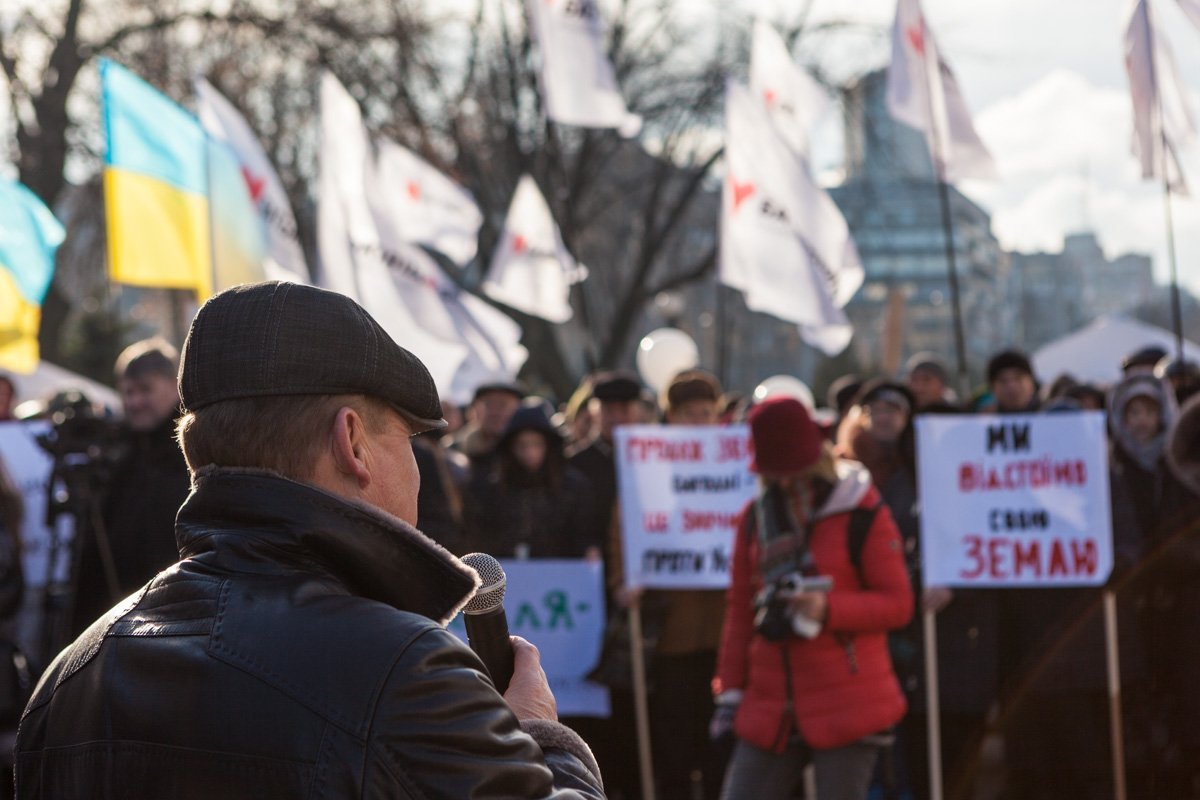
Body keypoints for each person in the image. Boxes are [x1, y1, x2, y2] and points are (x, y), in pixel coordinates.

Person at [15, 282, 603, 799]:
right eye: (407, 441)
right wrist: (541, 739)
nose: (418, 470)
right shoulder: (408, 673)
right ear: (353, 442)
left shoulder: (70, 680)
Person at [713, 397, 912, 800]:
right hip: (771, 703)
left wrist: (828, 609)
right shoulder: (754, 518)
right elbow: (738, 610)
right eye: (775, 471)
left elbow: (898, 604)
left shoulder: (861, 509)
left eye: (792, 469)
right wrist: (730, 692)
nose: (785, 482)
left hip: (849, 700)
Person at [69, 338, 190, 637]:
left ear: (174, 385)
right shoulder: (117, 456)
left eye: (146, 390)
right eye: (128, 392)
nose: (135, 402)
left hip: (181, 620)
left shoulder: (195, 454)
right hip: (119, 621)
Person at [463, 400, 598, 559]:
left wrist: (590, 551)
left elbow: (584, 533)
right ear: (511, 448)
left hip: (559, 577)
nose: (530, 453)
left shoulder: (573, 486)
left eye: (537, 445)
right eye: (522, 445)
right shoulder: (491, 487)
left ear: (548, 447)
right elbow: (479, 537)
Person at [984, 349, 1039, 414]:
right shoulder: (977, 418)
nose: (1011, 386)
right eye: (1003, 380)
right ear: (992, 387)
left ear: (1032, 382)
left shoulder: (1050, 414)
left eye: (1018, 378)